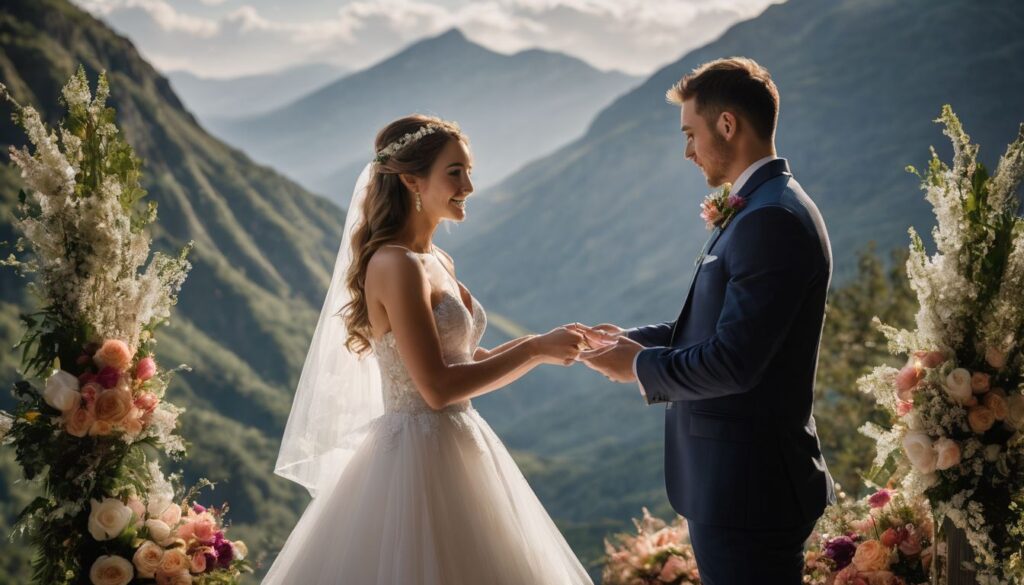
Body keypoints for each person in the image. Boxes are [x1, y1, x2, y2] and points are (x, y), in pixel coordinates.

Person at [265, 114, 593, 584]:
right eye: (455, 172)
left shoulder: (438, 259)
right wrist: (536, 349)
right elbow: (437, 389)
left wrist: (544, 343)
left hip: (460, 444)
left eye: (468, 171)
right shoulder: (395, 265)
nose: (469, 186)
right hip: (415, 461)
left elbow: (465, 360)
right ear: (411, 180)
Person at [578, 57, 836, 585]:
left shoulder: (771, 219)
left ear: (726, 125)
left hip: (749, 489)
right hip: (735, 484)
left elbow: (735, 363)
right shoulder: (761, 205)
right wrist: (627, 341)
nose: (688, 152)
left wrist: (641, 366)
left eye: (690, 134)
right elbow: (713, 327)